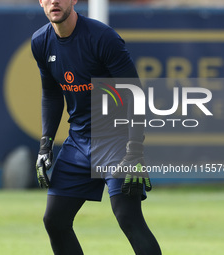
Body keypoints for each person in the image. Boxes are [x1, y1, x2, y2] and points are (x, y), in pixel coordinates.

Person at [31, 0, 162, 254]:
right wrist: (45, 145)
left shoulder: (102, 38)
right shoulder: (41, 42)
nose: (54, 1)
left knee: (128, 218)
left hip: (116, 141)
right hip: (78, 141)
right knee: (55, 220)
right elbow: (51, 94)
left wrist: (135, 150)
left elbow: (134, 93)